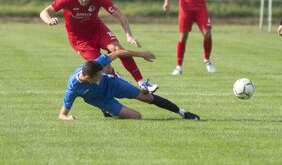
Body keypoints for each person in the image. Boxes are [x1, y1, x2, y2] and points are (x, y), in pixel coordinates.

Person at [40, 0, 158, 93]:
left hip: (97, 30)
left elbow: (120, 16)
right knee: (104, 67)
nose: (85, 0)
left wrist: (129, 35)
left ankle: (142, 83)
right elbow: (44, 12)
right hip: (79, 39)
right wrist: (49, 20)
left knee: (118, 49)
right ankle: (117, 80)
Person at [58, 49, 200, 120]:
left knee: (148, 98)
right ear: (88, 78)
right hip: (103, 101)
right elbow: (62, 115)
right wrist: (68, 119)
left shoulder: (95, 65)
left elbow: (118, 52)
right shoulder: (73, 87)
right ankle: (108, 111)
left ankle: (183, 113)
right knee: (137, 116)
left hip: (114, 85)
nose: (103, 74)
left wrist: (142, 54)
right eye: (99, 75)